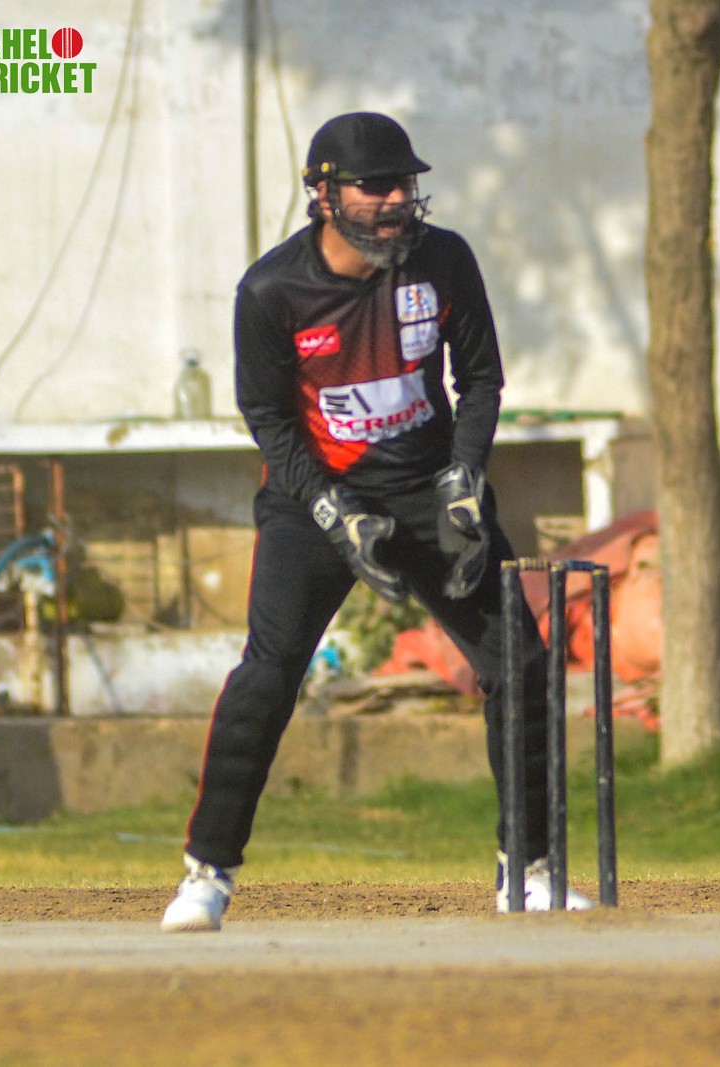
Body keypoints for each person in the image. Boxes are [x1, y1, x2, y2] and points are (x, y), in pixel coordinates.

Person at [161, 112, 590, 931]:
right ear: (323, 195)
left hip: (429, 490)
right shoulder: (271, 290)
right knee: (268, 673)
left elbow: (481, 380)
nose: (395, 200)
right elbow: (267, 419)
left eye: (403, 184)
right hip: (313, 496)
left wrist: (465, 477)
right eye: (374, 186)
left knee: (522, 662)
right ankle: (207, 872)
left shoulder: (443, 259)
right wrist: (333, 511)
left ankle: (527, 869)